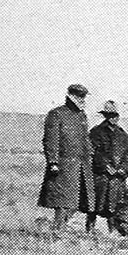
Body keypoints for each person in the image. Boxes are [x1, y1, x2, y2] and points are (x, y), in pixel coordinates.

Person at [38, 83, 94, 230]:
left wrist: (90, 154)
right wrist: (53, 162)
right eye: (80, 96)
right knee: (62, 201)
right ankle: (57, 231)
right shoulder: (56, 114)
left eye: (84, 96)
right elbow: (51, 140)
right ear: (71, 96)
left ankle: (57, 228)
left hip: (81, 165)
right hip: (64, 165)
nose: (82, 99)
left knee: (79, 202)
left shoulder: (82, 115)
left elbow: (85, 139)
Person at [87, 100, 128, 233]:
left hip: (117, 178)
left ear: (118, 116)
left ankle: (112, 233)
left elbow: (127, 155)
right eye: (109, 115)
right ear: (105, 116)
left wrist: (122, 169)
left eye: (114, 115)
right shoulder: (96, 132)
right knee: (93, 206)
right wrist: (106, 166)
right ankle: (89, 231)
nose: (112, 118)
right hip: (100, 176)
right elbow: (92, 152)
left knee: (113, 208)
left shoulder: (124, 136)